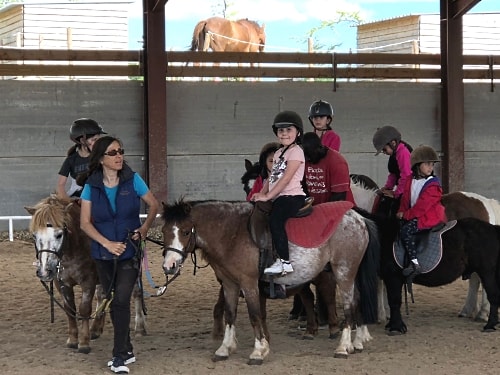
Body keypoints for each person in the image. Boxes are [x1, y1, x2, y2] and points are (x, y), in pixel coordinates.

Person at [78, 136, 159, 374]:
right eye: (113, 153)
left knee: (122, 299)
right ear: (101, 158)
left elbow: (154, 205)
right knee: (114, 301)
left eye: (120, 151)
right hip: (103, 254)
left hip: (130, 250)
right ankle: (127, 347)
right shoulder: (90, 187)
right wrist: (107, 244)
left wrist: (144, 229)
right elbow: (84, 223)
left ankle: (118, 357)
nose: (119, 156)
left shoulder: (133, 180)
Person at [252, 110, 306, 275]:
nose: (284, 134)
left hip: (292, 196)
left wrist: (268, 196)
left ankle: (285, 262)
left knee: (276, 220)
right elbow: (273, 177)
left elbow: (286, 178)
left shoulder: (296, 151)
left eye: (289, 130)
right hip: (279, 196)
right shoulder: (278, 153)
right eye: (281, 130)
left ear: (298, 132)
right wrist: (261, 193)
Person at [396, 145, 446, 277]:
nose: (431, 167)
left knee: (406, 231)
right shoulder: (409, 180)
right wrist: (401, 211)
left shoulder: (433, 185)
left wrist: (406, 215)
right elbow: (405, 200)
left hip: (428, 217)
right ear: (417, 165)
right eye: (427, 164)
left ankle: (415, 263)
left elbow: (422, 207)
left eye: (432, 165)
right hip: (414, 215)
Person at [56, 118, 107, 198]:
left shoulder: (101, 157)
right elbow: (60, 185)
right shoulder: (71, 160)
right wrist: (66, 201)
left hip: (98, 196)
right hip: (78, 198)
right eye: (94, 140)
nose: (97, 143)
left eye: (98, 140)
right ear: (82, 141)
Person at [302, 132, 354, 205]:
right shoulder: (303, 160)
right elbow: (301, 187)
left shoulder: (337, 161)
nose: (307, 159)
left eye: (309, 156)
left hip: (341, 208)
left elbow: (339, 196)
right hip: (314, 208)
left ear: (318, 150)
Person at [372, 125, 412, 216]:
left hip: (410, 189)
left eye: (384, 149)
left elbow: (406, 176)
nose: (384, 152)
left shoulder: (403, 153)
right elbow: (393, 174)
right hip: (405, 188)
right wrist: (387, 188)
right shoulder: (394, 155)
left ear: (393, 143)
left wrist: (396, 194)